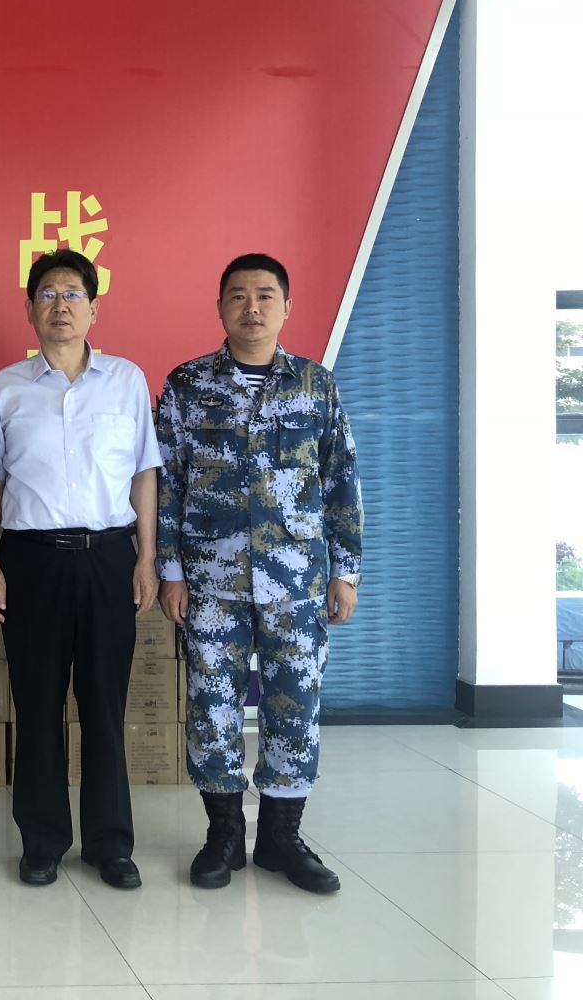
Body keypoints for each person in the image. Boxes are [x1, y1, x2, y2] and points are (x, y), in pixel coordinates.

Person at [156, 252, 362, 894]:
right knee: (212, 704)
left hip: (296, 580)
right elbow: (166, 483)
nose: (252, 308)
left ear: (286, 307)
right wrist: (169, 570)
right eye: (239, 295)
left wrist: (346, 570)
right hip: (210, 579)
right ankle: (223, 835)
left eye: (266, 295)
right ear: (220, 307)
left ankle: (280, 836)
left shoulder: (316, 385)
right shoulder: (188, 385)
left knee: (294, 703)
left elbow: (341, 481)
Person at [0, 248, 160, 890]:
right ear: (30, 309)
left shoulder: (126, 381)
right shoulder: (5, 388)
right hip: (30, 561)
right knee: (37, 704)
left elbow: (144, 473)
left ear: (93, 309)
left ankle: (111, 844)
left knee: (105, 705)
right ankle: (43, 841)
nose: (60, 305)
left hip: (109, 557)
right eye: (48, 294)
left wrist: (146, 556)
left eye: (73, 294)